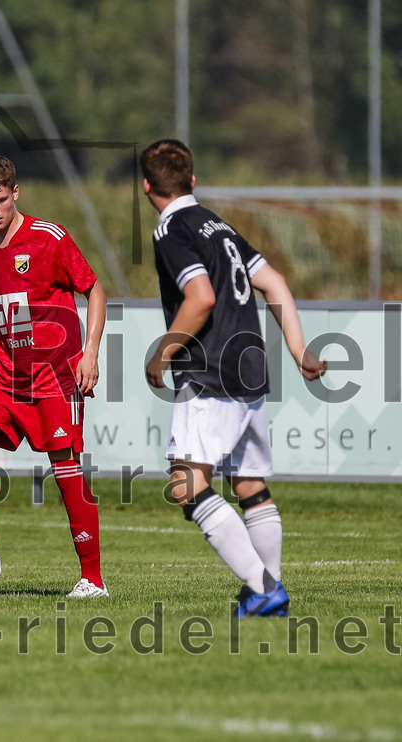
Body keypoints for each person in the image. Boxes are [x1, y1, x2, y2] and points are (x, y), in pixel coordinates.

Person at [140, 138, 327, 617]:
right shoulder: (217, 223)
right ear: (193, 181)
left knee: (186, 482)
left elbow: (199, 297)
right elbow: (275, 283)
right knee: (248, 483)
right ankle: (270, 592)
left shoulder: (171, 228)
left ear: (146, 187)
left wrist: (164, 350)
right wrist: (298, 348)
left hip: (212, 368)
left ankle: (263, 587)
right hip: (249, 366)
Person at [0, 154, 109, 598]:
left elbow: (95, 291)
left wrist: (89, 353)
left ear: (15, 193)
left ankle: (92, 579)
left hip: (55, 377)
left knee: (66, 471)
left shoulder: (49, 238)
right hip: (4, 376)